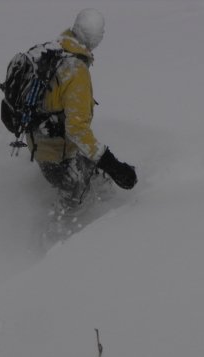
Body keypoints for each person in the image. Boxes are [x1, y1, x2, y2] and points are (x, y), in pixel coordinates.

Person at [27, 8, 137, 212]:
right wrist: (113, 166)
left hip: (39, 143)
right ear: (93, 36)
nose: (103, 35)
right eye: (101, 32)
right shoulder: (75, 70)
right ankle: (63, 238)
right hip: (56, 155)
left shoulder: (55, 50)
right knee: (74, 202)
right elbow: (77, 129)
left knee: (94, 176)